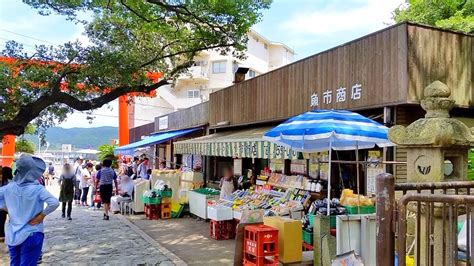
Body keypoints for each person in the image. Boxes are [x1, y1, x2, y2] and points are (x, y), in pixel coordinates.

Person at [0, 155, 59, 265]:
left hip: (13, 234)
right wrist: (41, 216)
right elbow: (54, 202)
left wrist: (7, 208)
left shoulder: (8, 188)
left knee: (14, 263)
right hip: (32, 232)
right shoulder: (38, 189)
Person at [0, 166, 13, 242]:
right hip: (9, 205)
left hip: (3, 206)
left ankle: (2, 236)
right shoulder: (12, 182)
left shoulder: (7, 182)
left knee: (2, 221)